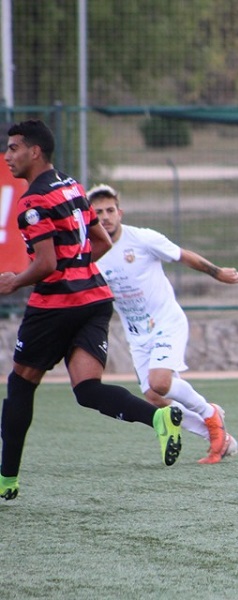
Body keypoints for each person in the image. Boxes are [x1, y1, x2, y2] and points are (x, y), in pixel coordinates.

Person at [0, 120, 183, 501]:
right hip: (95, 300)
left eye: (14, 148)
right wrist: (76, 268)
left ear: (35, 151)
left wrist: (15, 281)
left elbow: (47, 264)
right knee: (86, 390)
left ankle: (7, 479)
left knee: (20, 384)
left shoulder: (32, 202)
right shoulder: (71, 184)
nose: (8, 156)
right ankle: (158, 416)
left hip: (55, 306)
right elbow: (100, 242)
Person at [87, 184, 238, 464]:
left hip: (166, 323)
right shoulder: (89, 253)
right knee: (154, 398)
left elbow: (184, 256)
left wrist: (217, 273)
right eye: (98, 212)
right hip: (137, 335)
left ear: (120, 212)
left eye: (110, 210)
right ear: (90, 217)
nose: (105, 217)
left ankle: (209, 414)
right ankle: (218, 438)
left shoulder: (143, 239)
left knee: (160, 382)